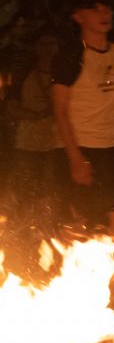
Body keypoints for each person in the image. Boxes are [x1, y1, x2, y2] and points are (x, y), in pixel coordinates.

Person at [51, 0, 114, 302]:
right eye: (94, 8)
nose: (104, 13)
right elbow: (60, 111)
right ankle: (75, 293)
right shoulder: (70, 56)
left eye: (107, 7)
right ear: (78, 16)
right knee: (82, 226)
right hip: (84, 147)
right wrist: (75, 157)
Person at [9, 28, 64, 224]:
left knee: (51, 188)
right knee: (26, 188)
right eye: (43, 44)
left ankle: (48, 228)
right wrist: (37, 115)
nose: (48, 49)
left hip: (57, 141)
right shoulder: (24, 75)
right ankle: (26, 228)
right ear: (35, 48)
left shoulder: (66, 74)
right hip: (28, 142)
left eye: (52, 44)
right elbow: (11, 107)